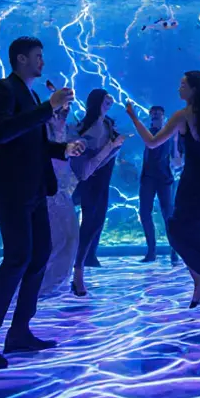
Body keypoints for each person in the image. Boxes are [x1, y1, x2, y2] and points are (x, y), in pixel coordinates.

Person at [0, 36, 82, 370]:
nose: (42, 62)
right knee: (18, 257)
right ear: (20, 59)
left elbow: (32, 143)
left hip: (33, 190)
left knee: (38, 255)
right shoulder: (1, 89)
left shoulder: (31, 95)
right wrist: (48, 107)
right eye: (37, 56)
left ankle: (19, 330)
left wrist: (62, 149)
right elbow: (3, 133)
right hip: (10, 190)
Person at [126, 72, 200, 327]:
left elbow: (152, 142)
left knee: (186, 231)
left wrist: (133, 117)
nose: (179, 88)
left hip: (198, 181)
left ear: (193, 89)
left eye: (183, 85)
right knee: (199, 234)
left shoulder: (184, 116)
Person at [70, 89, 128, 295]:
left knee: (95, 224)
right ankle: (77, 272)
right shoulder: (93, 127)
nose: (110, 101)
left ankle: (80, 266)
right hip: (93, 180)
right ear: (96, 102)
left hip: (102, 180)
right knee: (90, 224)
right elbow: (92, 160)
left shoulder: (106, 123)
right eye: (106, 99)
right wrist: (113, 145)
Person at [40, 103, 80, 296]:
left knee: (70, 237)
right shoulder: (44, 129)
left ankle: (55, 283)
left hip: (63, 190)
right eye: (61, 109)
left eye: (67, 109)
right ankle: (42, 285)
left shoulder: (68, 130)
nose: (65, 112)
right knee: (57, 239)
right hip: (48, 191)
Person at [139, 105, 181, 264]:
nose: (156, 116)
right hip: (148, 178)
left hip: (164, 178)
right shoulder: (147, 133)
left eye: (159, 113)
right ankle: (151, 251)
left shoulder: (170, 133)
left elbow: (176, 161)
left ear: (164, 116)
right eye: (153, 113)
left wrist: (176, 142)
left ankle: (174, 250)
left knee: (168, 215)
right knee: (144, 213)